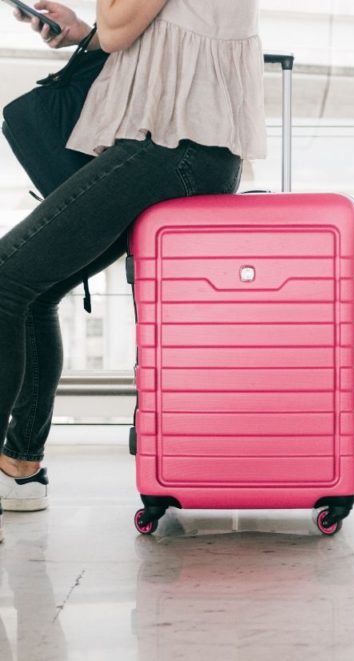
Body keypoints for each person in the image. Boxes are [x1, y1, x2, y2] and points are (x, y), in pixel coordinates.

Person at [0, 0, 265, 541]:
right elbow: (130, 28)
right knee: (34, 289)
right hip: (181, 148)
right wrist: (83, 33)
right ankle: (20, 468)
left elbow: (122, 28)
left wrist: (105, 30)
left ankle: (19, 462)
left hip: (172, 149)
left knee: (6, 278)